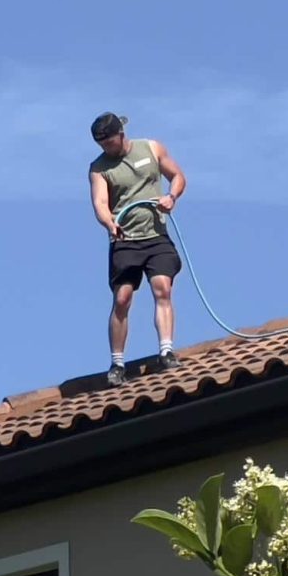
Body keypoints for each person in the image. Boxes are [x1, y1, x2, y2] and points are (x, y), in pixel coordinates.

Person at [88, 112, 187, 386]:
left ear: (121, 134)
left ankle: (166, 350)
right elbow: (100, 203)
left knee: (162, 289)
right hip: (125, 239)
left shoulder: (151, 148)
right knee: (122, 298)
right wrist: (109, 223)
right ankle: (117, 363)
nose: (106, 148)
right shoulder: (99, 168)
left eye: (109, 142)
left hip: (156, 236)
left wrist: (171, 196)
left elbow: (177, 176)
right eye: (101, 145)